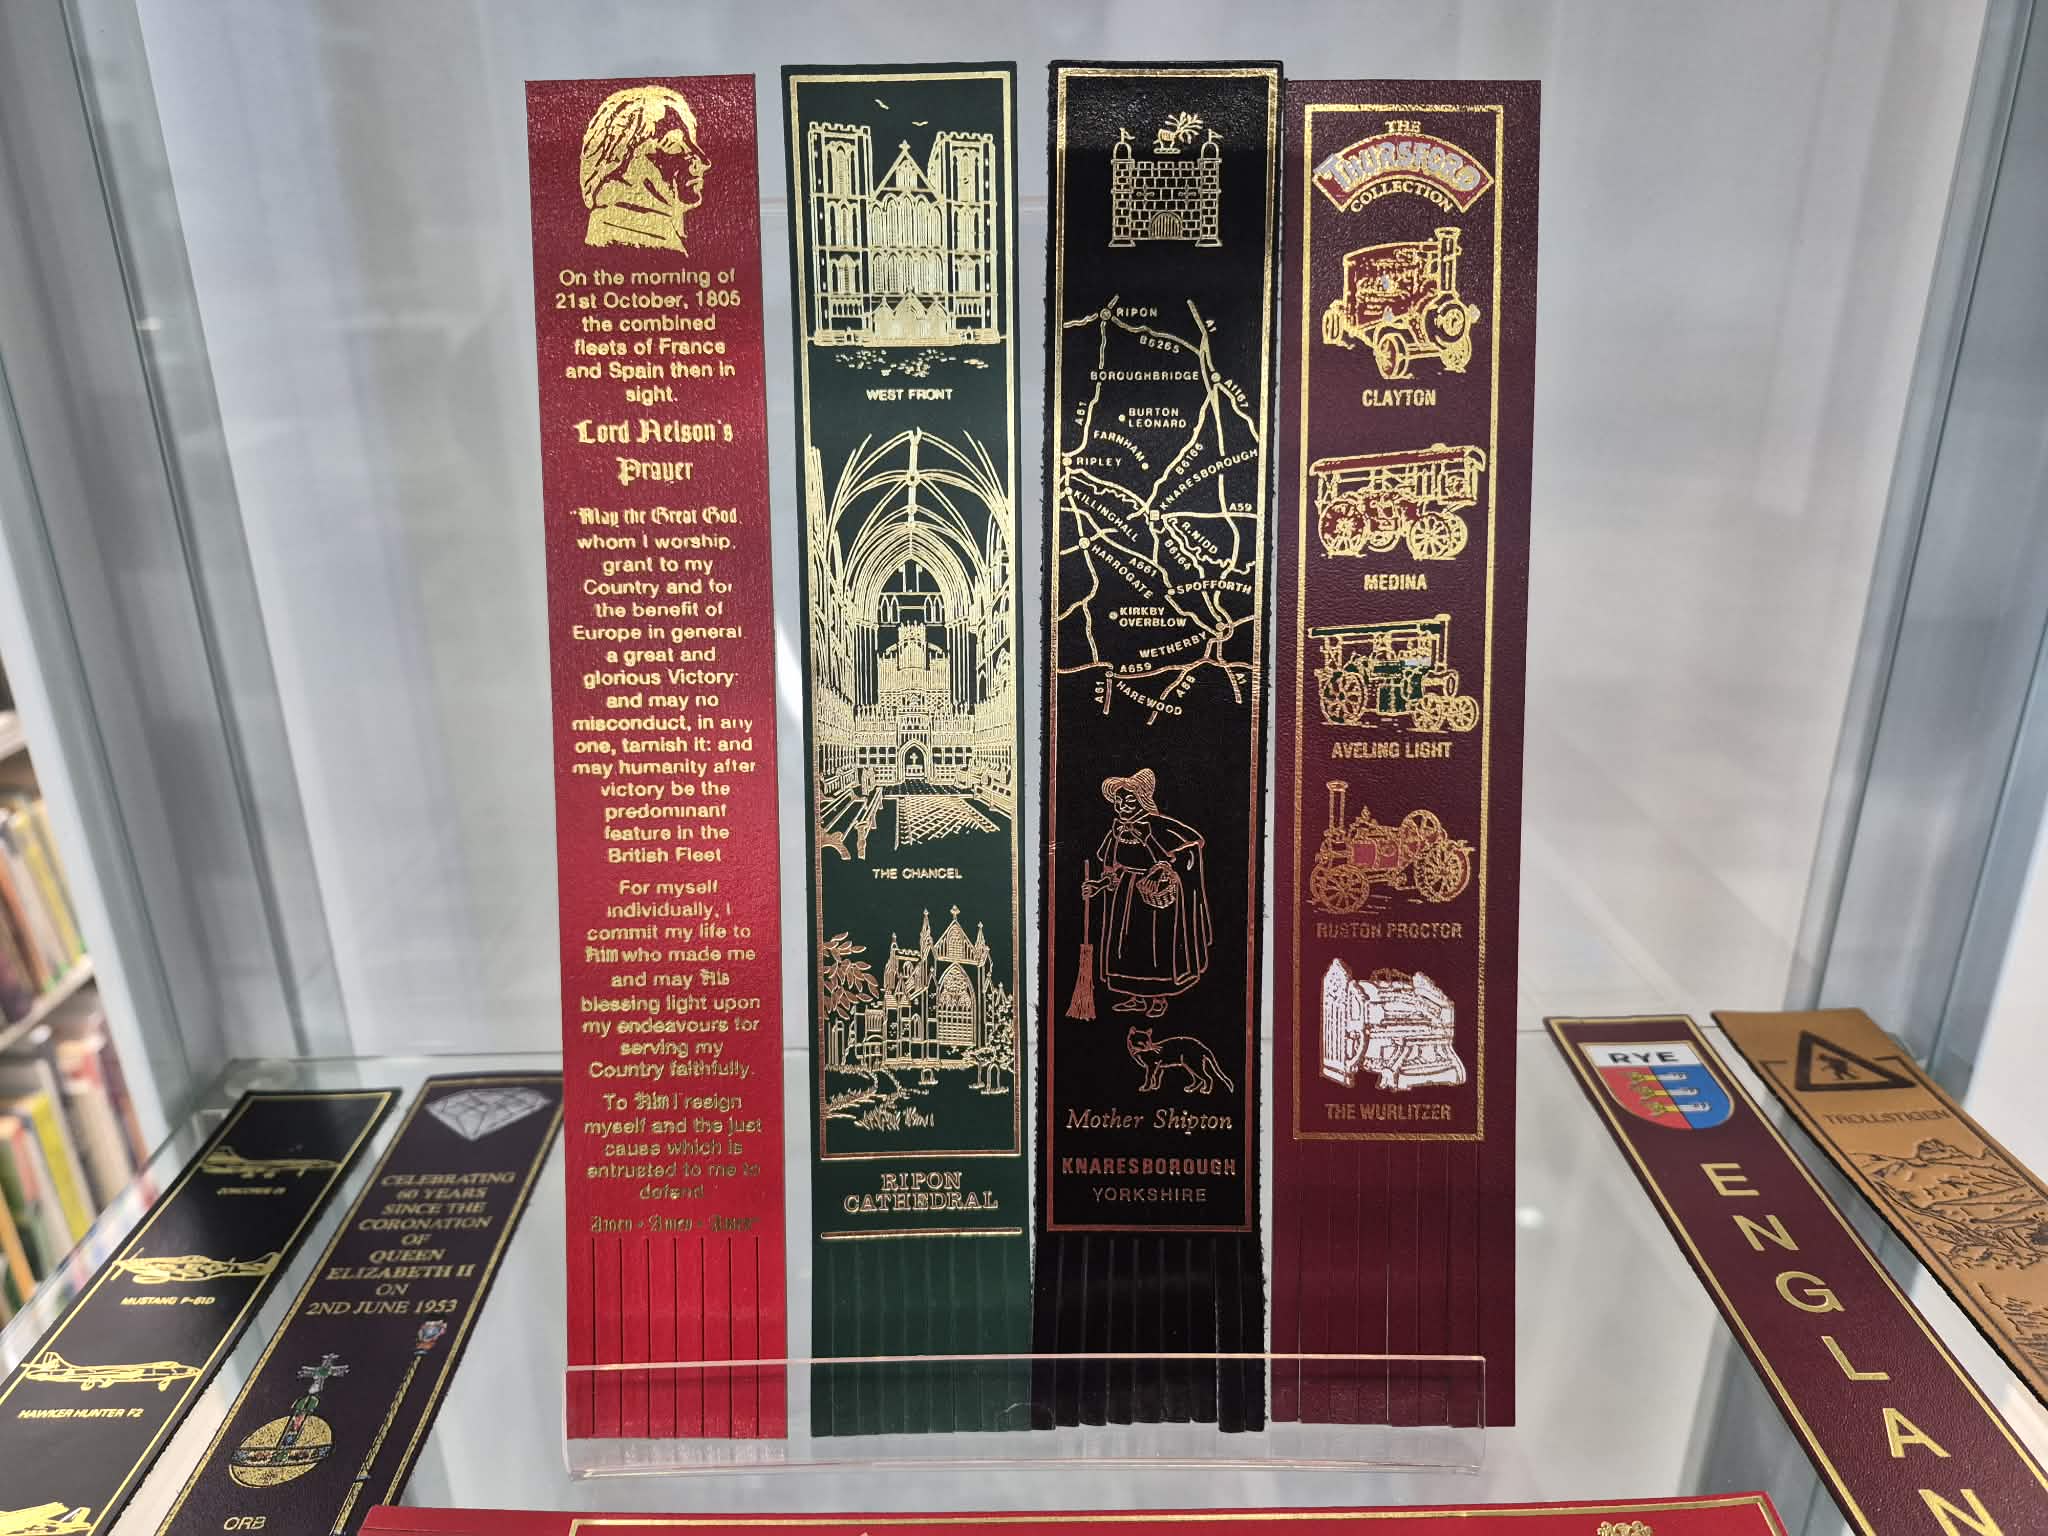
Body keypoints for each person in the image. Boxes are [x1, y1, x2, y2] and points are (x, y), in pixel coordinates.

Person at [1083, 768, 1212, 1017]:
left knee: (1153, 947)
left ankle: (1158, 999)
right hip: (1125, 895)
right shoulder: (1117, 830)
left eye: (1129, 801)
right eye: (1118, 801)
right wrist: (1099, 885)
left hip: (1153, 895)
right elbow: (1113, 869)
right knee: (1126, 947)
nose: (1122, 806)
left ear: (1142, 801)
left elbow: (1179, 855)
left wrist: (1148, 840)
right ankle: (1136, 997)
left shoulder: (1158, 825)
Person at [580, 85, 711, 252]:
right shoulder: (645, 241)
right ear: (624, 157)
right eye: (673, 143)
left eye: (692, 143)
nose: (704, 162)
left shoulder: (663, 236)